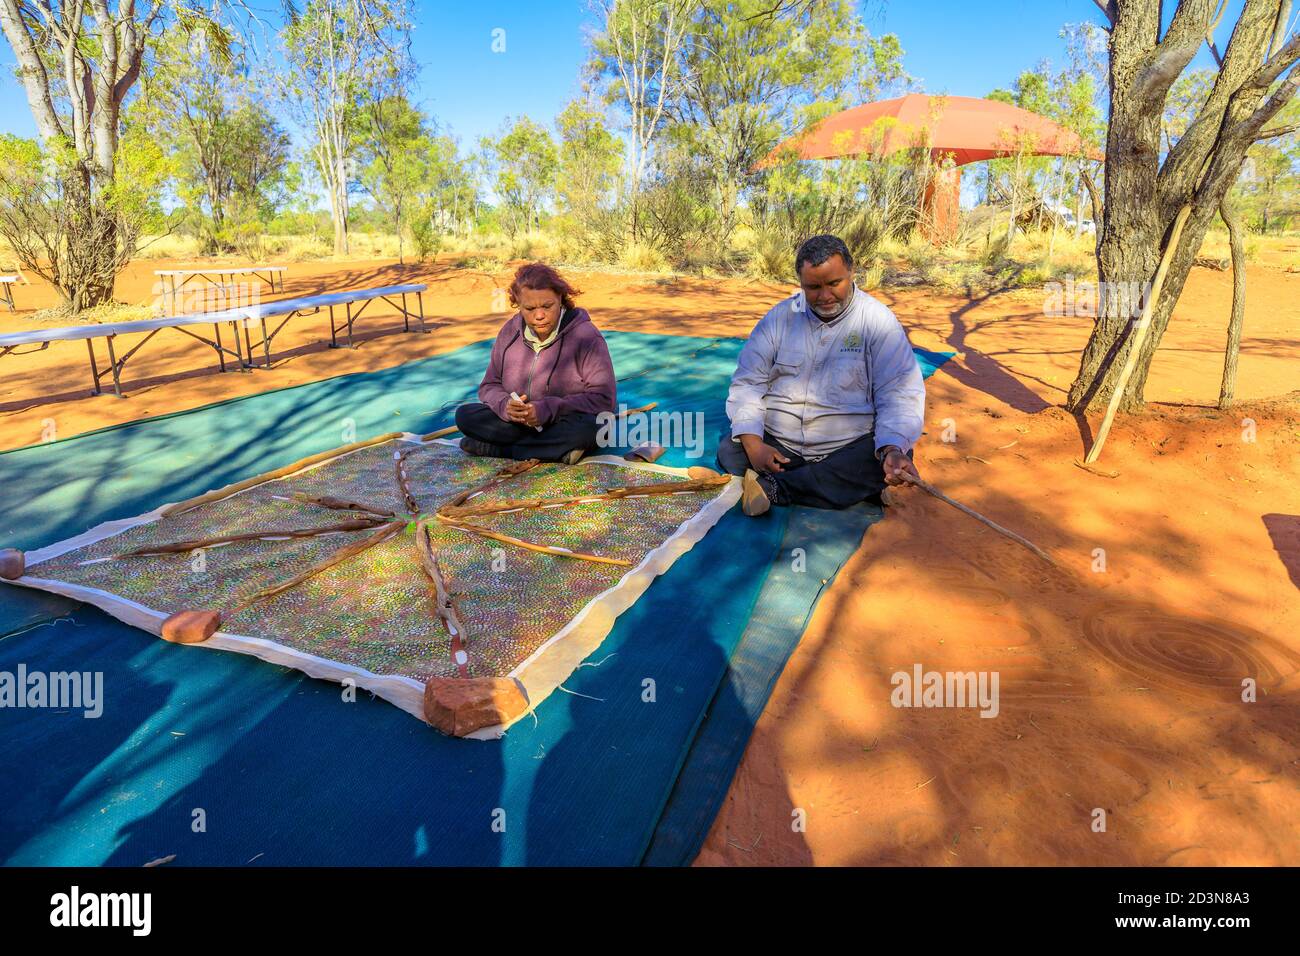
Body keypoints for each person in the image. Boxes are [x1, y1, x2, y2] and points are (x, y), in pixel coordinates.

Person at [718, 234, 926, 516]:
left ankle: (776, 488)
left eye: (834, 283)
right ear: (801, 284)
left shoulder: (878, 321)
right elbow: (748, 382)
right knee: (732, 450)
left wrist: (891, 450)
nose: (825, 296)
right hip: (782, 443)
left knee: (882, 460)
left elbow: (899, 394)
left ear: (851, 273)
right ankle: (840, 488)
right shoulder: (780, 317)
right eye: (813, 287)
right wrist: (755, 447)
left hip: (845, 446)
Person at [455, 262, 616, 464]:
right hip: (518, 424)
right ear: (518, 305)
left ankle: (495, 449)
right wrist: (506, 406)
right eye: (529, 308)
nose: (539, 316)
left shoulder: (586, 336)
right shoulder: (510, 331)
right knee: (465, 416)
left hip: (564, 420)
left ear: (560, 298)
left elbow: (603, 400)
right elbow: (489, 385)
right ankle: (551, 450)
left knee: (598, 428)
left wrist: (547, 409)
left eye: (547, 306)